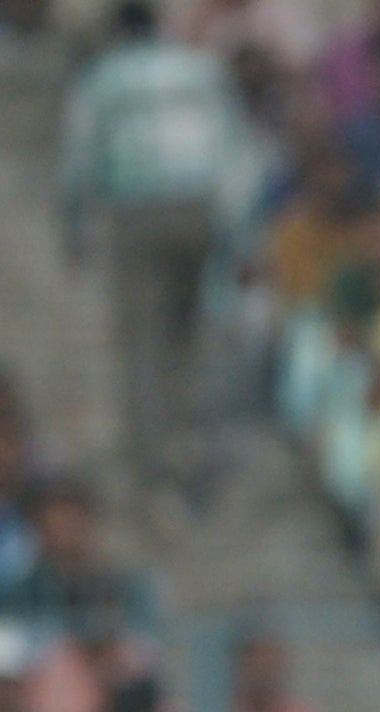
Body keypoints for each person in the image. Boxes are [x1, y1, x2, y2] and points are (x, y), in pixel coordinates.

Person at [59, 0, 254, 488]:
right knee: (195, 327)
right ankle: (201, 445)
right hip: (199, 204)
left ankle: (152, 463)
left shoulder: (103, 78)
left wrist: (74, 226)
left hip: (138, 211)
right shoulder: (199, 69)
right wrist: (239, 228)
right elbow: (233, 146)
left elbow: (80, 154)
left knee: (142, 339)